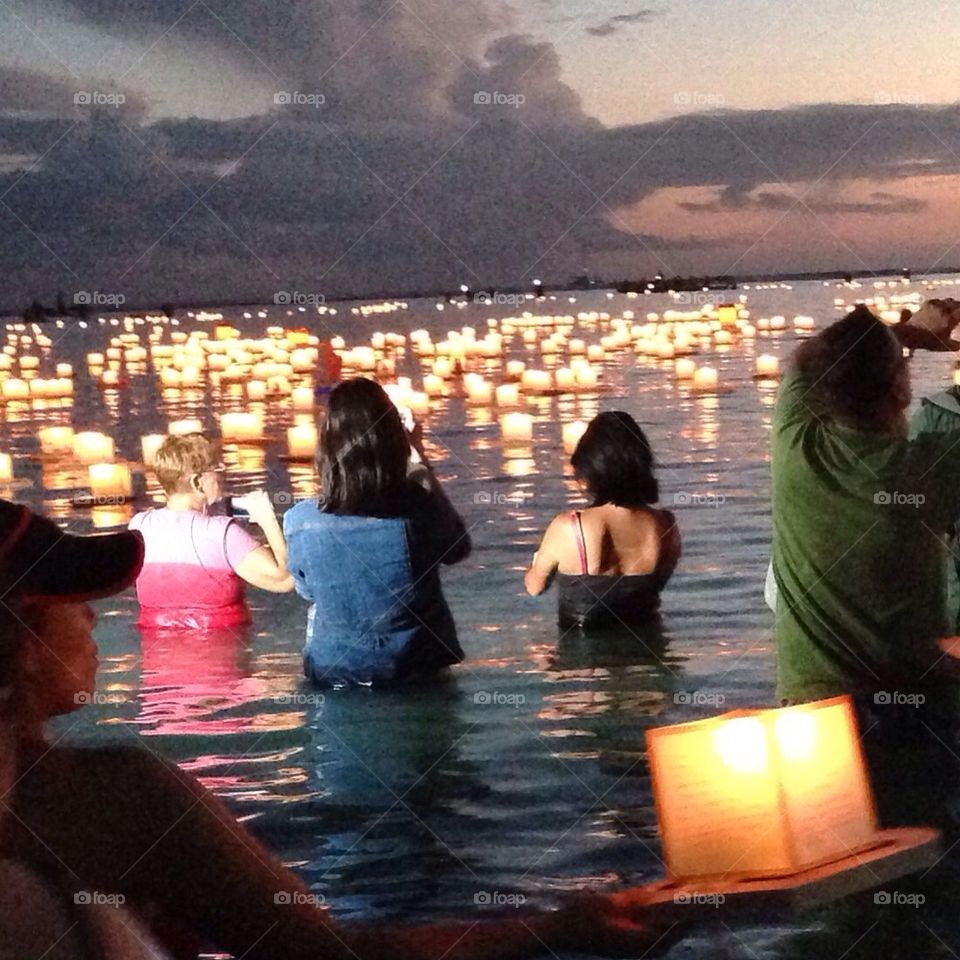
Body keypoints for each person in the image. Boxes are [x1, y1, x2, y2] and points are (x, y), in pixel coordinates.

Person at [0, 499, 678, 959]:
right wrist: (557, 928)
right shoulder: (113, 800)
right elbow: (326, 953)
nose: (92, 618)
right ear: (18, 644)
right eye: (69, 599)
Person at [771, 300, 960, 827]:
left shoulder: (794, 444)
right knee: (924, 868)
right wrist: (917, 338)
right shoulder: (932, 467)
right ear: (899, 391)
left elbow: (807, 362)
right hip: (913, 714)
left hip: (812, 718)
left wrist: (906, 334)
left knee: (833, 874)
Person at [284, 378, 470, 686]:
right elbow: (458, 548)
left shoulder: (300, 521)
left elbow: (307, 591)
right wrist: (419, 457)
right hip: (415, 671)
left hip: (334, 673)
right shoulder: (418, 509)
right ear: (393, 439)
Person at [524, 411, 681, 630]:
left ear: (590, 466)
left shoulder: (570, 526)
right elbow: (656, 585)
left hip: (582, 658)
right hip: (649, 650)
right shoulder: (667, 526)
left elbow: (535, 587)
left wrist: (534, 564)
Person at [130, 432, 293, 629]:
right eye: (218, 469)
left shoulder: (139, 527)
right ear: (197, 482)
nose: (222, 476)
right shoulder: (223, 534)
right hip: (219, 655)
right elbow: (285, 580)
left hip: (157, 655)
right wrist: (268, 520)